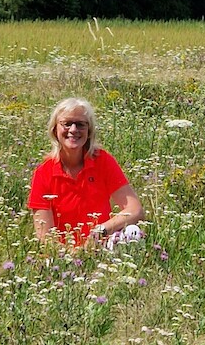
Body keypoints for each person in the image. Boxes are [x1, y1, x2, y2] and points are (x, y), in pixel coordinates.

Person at [27, 97, 144, 246]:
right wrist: (74, 254)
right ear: (55, 129)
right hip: (63, 253)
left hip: (102, 246)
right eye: (67, 124)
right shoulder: (43, 173)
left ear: (89, 131)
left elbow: (135, 210)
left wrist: (99, 232)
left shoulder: (103, 161)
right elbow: (45, 238)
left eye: (80, 124)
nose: (73, 130)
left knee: (133, 231)